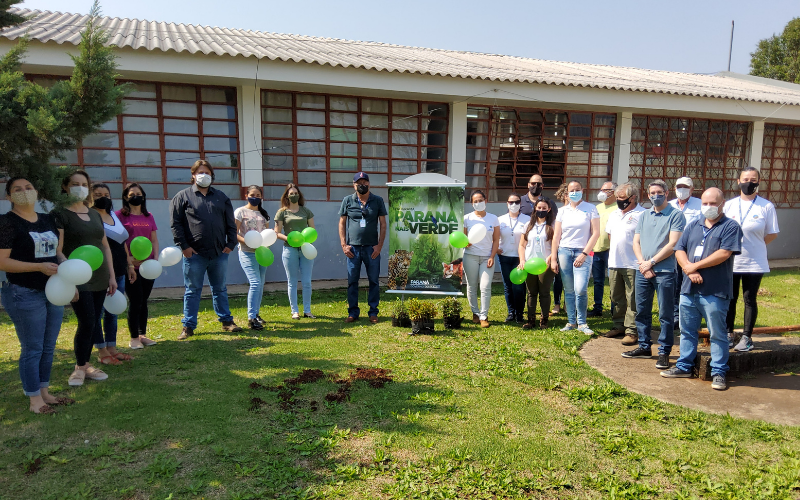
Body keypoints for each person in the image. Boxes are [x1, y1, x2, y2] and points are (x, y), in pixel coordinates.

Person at [0, 178, 74, 414]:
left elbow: (57, 253)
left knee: (48, 346)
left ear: (36, 192)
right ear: (8, 197)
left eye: (29, 188)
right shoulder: (7, 223)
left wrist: (68, 271)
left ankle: (44, 393)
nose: (24, 192)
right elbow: (3, 262)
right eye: (17, 190)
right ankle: (34, 400)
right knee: (32, 347)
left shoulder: (47, 219)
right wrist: (38, 267)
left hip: (53, 290)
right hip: (23, 292)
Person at [661, 188, 742, 391]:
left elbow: (724, 253)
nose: (708, 207)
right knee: (687, 331)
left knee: (717, 333)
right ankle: (684, 366)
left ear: (722, 203)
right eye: (705, 203)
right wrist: (688, 270)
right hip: (689, 290)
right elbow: (679, 249)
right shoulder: (693, 225)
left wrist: (694, 266)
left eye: (713, 203)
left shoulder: (730, 226)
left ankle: (719, 372)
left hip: (715, 291)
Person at [53, 170, 117, 386]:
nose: (79, 187)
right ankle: (80, 368)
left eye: (83, 184)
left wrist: (112, 276)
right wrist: (69, 277)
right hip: (77, 276)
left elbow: (105, 247)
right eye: (74, 183)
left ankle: (86, 365)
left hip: (100, 275)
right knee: (87, 320)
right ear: (65, 187)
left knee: (93, 321)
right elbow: (58, 250)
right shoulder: (60, 214)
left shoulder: (95, 214)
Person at [170, 160, 242, 340]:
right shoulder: (182, 197)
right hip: (194, 254)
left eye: (208, 173)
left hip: (219, 253)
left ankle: (226, 322)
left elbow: (230, 223)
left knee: (220, 289)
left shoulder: (221, 197)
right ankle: (188, 326)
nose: (204, 175)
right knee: (192, 290)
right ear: (193, 174)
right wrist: (184, 246)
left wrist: (231, 243)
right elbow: (176, 224)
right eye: (201, 172)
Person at [623, 179, 685, 369]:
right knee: (641, 310)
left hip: (664, 271)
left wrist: (651, 262)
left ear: (667, 193)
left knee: (666, 314)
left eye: (659, 192)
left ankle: (664, 351)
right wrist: (643, 263)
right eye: (652, 193)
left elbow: (673, 244)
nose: (655, 196)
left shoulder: (675, 215)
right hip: (643, 270)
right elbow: (636, 242)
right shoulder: (644, 215)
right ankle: (644, 346)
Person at [723, 167, 779, 352]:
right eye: (745, 179)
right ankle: (728, 333)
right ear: (738, 181)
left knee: (749, 298)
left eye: (753, 179)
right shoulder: (729, 205)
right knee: (730, 298)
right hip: (730, 260)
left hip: (754, 261)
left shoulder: (766, 206)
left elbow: (771, 233)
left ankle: (747, 337)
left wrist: (755, 245)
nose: (749, 182)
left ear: (758, 182)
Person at [90, 183, 132, 366]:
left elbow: (123, 242)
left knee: (112, 312)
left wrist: (129, 264)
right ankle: (101, 350)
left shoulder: (113, 215)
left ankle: (112, 347)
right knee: (97, 312)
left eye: (106, 194)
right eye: (98, 194)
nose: (103, 197)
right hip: (100, 272)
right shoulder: (90, 217)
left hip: (120, 270)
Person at [550, 180, 600, 335]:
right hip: (564, 252)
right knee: (569, 290)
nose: (574, 193)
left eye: (577, 190)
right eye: (571, 191)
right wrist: (553, 258)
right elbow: (556, 236)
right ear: (567, 194)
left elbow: (596, 233)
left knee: (580, 289)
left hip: (583, 253)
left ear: (582, 190)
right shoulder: (562, 211)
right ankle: (571, 321)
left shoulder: (591, 209)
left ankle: (582, 323)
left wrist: (585, 254)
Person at [339, 172, 387, 324]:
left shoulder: (377, 200)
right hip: (353, 249)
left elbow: (383, 224)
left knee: (374, 281)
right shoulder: (347, 200)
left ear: (369, 184)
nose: (362, 185)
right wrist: (344, 245)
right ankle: (353, 312)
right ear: (354, 185)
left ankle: (373, 312)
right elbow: (342, 223)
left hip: (371, 249)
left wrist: (379, 246)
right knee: (352, 281)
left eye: (365, 182)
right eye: (358, 183)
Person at [117, 183, 159, 349]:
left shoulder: (148, 216)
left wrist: (155, 259)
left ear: (143, 196)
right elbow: (119, 241)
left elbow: (154, 239)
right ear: (126, 197)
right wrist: (129, 261)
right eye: (131, 194)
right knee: (135, 301)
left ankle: (142, 334)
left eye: (138, 193)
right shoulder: (120, 216)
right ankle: (134, 337)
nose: (135, 196)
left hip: (148, 266)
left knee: (144, 301)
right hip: (131, 267)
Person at [603, 184, 646, 345]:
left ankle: (632, 330)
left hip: (633, 263)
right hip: (614, 262)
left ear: (633, 198)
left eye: (622, 198)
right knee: (616, 296)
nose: (619, 201)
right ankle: (618, 325)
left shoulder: (643, 214)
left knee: (632, 298)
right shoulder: (614, 214)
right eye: (617, 198)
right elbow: (610, 235)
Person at [275, 184, 315, 320]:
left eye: (295, 193)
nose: (293, 195)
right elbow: (277, 233)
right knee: (292, 281)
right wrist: (291, 239)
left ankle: (307, 310)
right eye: (291, 193)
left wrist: (303, 240)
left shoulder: (306, 211)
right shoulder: (282, 212)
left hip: (305, 249)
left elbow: (312, 230)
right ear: (286, 196)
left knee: (307, 281)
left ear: (299, 195)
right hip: (289, 249)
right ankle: (295, 311)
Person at [235, 185, 271, 330]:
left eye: (258, 195)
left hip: (262, 253)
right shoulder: (240, 212)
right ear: (246, 195)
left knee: (260, 284)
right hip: (246, 252)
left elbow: (268, 234)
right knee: (255, 282)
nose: (255, 197)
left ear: (261, 197)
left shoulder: (264, 214)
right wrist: (248, 242)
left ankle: (256, 313)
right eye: (252, 194)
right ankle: (251, 318)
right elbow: (234, 233)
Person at [668, 176, 703, 328]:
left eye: (685, 187)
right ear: (674, 188)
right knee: (674, 283)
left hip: (691, 250)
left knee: (688, 281)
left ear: (692, 189)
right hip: (671, 250)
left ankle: (690, 313)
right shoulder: (669, 205)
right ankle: (675, 314)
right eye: (679, 186)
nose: (681, 189)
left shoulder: (700, 204)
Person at [463, 190, 500, 328]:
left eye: (480, 200)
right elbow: (463, 239)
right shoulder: (467, 218)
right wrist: (466, 242)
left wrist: (492, 256)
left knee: (485, 286)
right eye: (475, 201)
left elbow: (496, 240)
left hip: (487, 258)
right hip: (470, 256)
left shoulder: (493, 218)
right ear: (472, 204)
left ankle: (484, 316)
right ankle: (475, 313)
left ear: (486, 200)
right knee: (471, 286)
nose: (478, 203)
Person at [518, 199, 556, 329]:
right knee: (531, 292)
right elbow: (522, 245)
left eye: (544, 207)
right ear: (535, 208)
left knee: (544, 292)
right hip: (530, 264)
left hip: (545, 264)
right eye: (539, 207)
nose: (541, 210)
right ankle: (531, 320)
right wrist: (522, 260)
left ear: (549, 209)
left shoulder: (553, 225)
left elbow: (556, 246)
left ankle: (544, 320)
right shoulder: (528, 225)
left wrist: (551, 257)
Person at [497, 193, 531, 323]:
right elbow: (494, 237)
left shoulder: (527, 220)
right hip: (504, 257)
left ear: (520, 204)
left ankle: (520, 313)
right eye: (511, 202)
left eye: (517, 202)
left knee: (519, 286)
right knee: (508, 286)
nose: (514, 205)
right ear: (507, 204)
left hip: (519, 258)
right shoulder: (500, 220)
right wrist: (496, 249)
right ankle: (511, 312)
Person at [589, 181, 618, 317]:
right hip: (596, 249)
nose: (602, 192)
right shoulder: (597, 208)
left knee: (613, 281)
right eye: (601, 189)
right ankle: (597, 307)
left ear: (614, 192)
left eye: (606, 190)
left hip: (611, 250)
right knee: (598, 280)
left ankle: (614, 308)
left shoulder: (618, 207)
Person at [550, 182, 569, 315]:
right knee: (558, 279)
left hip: (575, 250)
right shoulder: (559, 213)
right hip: (559, 248)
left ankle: (567, 304)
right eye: (567, 193)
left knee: (570, 279)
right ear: (563, 196)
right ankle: (557, 303)